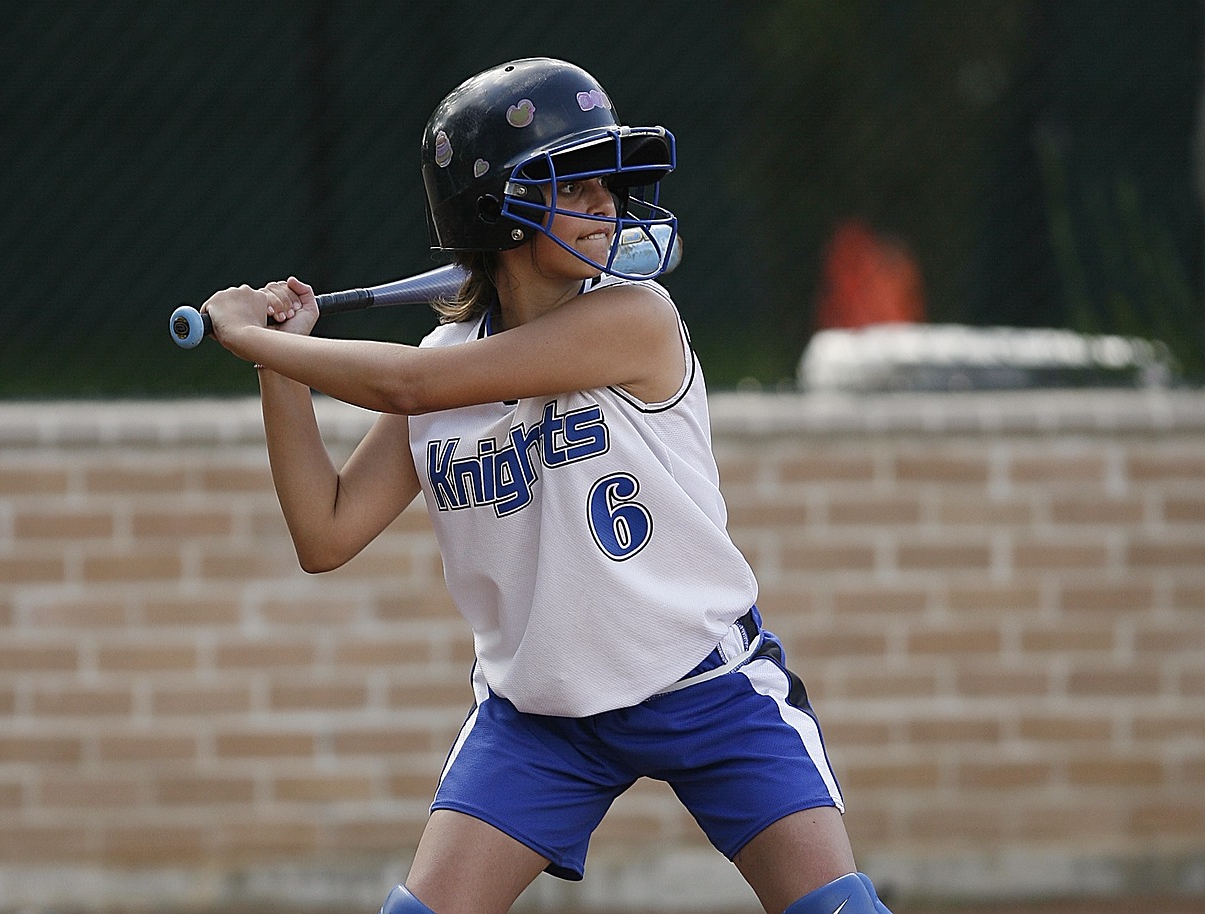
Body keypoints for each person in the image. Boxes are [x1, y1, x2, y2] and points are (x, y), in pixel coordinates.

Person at [200, 58, 893, 914]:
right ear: (496, 213)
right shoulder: (444, 365)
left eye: (610, 183)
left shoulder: (634, 317)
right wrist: (282, 368)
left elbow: (412, 389)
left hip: (703, 685)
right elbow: (326, 530)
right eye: (575, 185)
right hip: (539, 718)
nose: (607, 205)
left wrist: (256, 341)